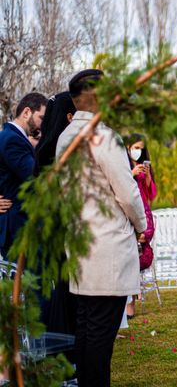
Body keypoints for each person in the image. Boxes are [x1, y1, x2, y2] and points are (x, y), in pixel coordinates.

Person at [56, 69, 147, 387]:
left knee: (86, 328)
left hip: (80, 244)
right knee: (100, 336)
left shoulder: (66, 136)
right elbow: (125, 190)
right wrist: (141, 224)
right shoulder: (102, 134)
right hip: (107, 245)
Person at [34, 92, 77, 336]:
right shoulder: (60, 153)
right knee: (68, 294)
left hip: (53, 229)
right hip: (65, 228)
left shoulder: (43, 151)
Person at [0, 92, 48, 259]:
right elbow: (35, 177)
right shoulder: (12, 140)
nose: (43, 125)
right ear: (27, 112)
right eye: (41, 118)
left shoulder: (10, 137)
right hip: (18, 229)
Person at [124, 134, 157, 318]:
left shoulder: (144, 169)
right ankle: (126, 304)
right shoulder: (122, 166)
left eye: (140, 148)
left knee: (138, 258)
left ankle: (132, 304)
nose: (137, 151)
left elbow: (150, 195)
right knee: (128, 259)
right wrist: (131, 174)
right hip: (128, 215)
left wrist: (147, 178)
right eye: (135, 147)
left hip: (143, 213)